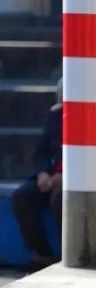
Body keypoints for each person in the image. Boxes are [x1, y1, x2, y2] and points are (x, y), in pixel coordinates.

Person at [12, 79, 63, 271]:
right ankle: (43, 254)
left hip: (76, 180)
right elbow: (41, 151)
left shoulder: (91, 118)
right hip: (50, 176)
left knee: (59, 199)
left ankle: (69, 253)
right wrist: (42, 174)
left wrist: (66, 178)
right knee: (22, 196)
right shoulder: (54, 116)